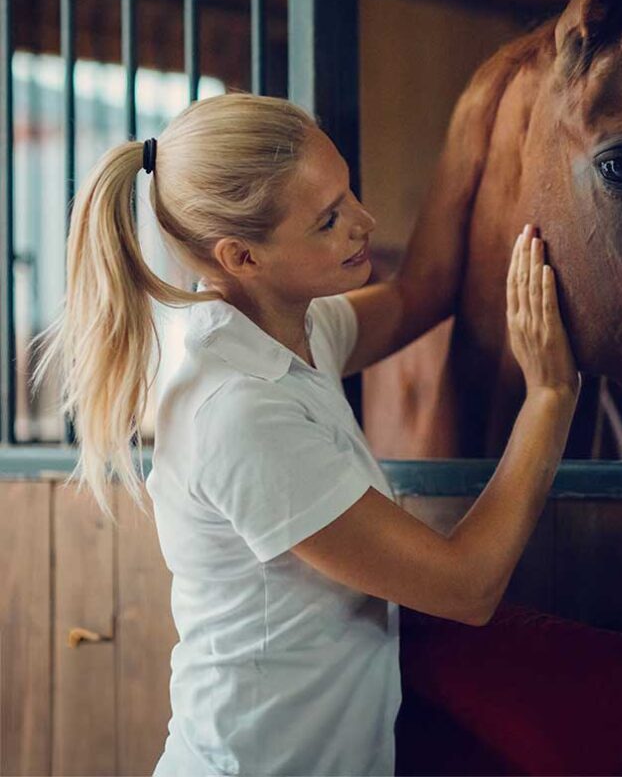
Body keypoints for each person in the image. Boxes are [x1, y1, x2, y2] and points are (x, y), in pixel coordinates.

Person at [29, 90, 580, 776]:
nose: (363, 222)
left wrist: (477, 118)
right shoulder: (239, 410)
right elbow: (466, 588)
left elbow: (419, 293)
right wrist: (551, 397)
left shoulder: (293, 327)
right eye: (328, 220)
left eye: (348, 193)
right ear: (242, 258)